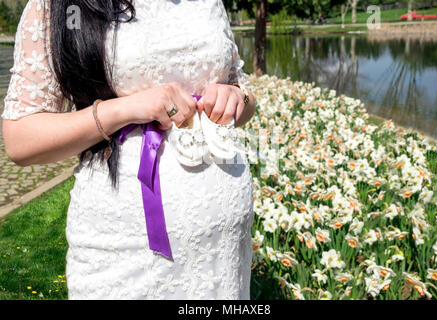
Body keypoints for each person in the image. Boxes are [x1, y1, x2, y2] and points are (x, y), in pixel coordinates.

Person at [2, 0, 256, 299]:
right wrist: (127, 109)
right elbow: (20, 140)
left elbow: (243, 92)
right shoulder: (58, 6)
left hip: (225, 247)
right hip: (126, 248)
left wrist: (235, 98)